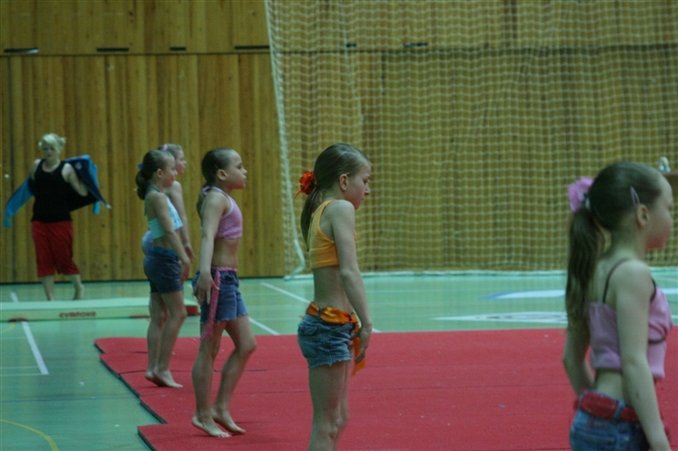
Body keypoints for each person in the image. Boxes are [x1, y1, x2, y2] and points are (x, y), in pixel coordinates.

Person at [563, 161, 673, 451]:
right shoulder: (633, 274)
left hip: (592, 422)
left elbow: (571, 358)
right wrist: (659, 440)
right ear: (643, 215)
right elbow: (633, 362)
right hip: (619, 430)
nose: (671, 219)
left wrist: (596, 410)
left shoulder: (594, 268)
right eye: (669, 209)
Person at [296, 143, 374, 450]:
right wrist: (367, 323)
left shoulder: (322, 210)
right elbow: (349, 272)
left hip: (333, 325)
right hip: (328, 327)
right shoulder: (340, 209)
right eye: (364, 181)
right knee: (327, 424)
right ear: (344, 181)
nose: (367, 190)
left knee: (338, 419)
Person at [191, 148, 256, 438]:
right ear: (221, 173)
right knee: (209, 348)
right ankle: (202, 414)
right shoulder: (216, 198)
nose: (244, 171)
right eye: (239, 166)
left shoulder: (222, 197)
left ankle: (220, 407)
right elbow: (207, 235)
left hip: (229, 279)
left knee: (247, 344)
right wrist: (205, 273)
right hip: (218, 278)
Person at [136, 149, 190, 388]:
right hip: (164, 258)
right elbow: (169, 230)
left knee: (159, 315)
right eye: (171, 169)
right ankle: (162, 368)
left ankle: (152, 368)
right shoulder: (157, 197)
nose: (175, 173)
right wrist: (184, 258)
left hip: (157, 257)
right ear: (159, 173)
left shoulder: (155, 194)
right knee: (179, 313)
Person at [29, 133, 88, 300]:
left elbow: (82, 192)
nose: (48, 152)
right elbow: (32, 186)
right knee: (43, 260)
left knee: (64, 259)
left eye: (51, 149)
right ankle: (50, 299)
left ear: (58, 150)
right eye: (45, 148)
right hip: (39, 220)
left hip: (61, 221)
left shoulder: (67, 169)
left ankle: (78, 287)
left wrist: (86, 176)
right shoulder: (36, 165)